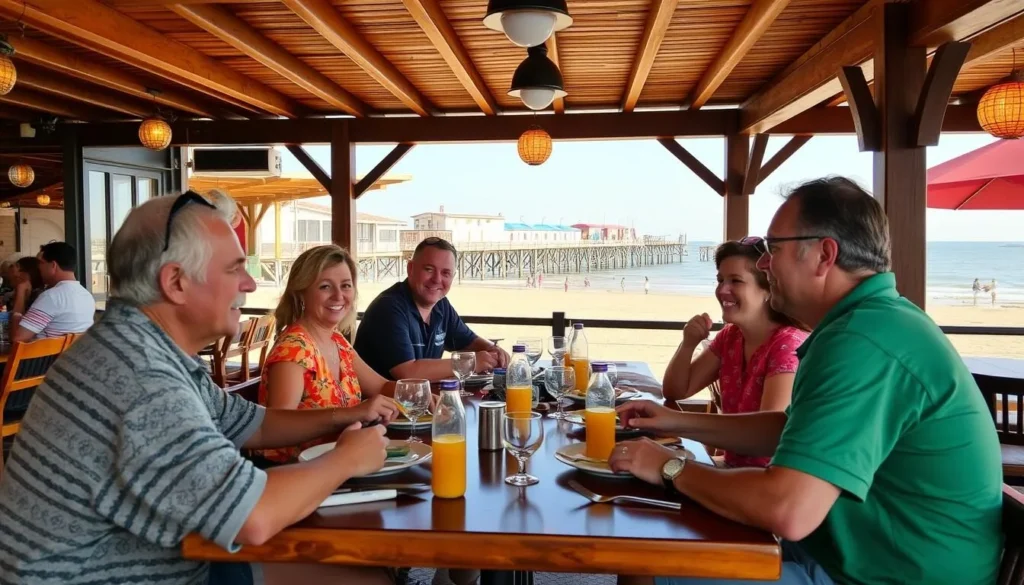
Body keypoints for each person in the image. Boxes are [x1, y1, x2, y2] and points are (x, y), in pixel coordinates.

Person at [612, 177, 1001, 585]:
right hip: (850, 554)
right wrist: (673, 420)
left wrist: (671, 466)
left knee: (645, 563)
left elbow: (788, 510)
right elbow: (789, 429)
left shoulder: (864, 340)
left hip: (882, 575)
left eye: (774, 248)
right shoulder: (871, 324)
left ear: (824, 255)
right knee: (657, 536)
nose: (765, 264)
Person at [0, 191, 397, 585]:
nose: (250, 283)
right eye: (234, 269)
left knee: (365, 570)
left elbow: (255, 424)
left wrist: (350, 415)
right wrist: (346, 459)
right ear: (176, 282)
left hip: (165, 560)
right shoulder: (141, 376)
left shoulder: (142, 346)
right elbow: (252, 517)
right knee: (368, 579)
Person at [662, 241, 807, 468]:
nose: (722, 290)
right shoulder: (731, 336)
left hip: (765, 477)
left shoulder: (787, 345)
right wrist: (688, 343)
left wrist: (674, 422)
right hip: (733, 468)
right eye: (720, 280)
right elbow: (676, 390)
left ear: (768, 288)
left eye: (736, 281)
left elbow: (764, 440)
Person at [258, 244, 401, 463]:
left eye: (346, 286)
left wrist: (419, 393)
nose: (338, 296)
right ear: (301, 293)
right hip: (300, 470)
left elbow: (380, 387)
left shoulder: (337, 340)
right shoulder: (293, 349)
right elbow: (277, 429)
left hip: (342, 460)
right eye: (325, 287)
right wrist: (354, 413)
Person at [355, 237, 509, 381]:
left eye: (446, 273)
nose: (437, 279)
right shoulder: (389, 308)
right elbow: (407, 373)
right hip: (377, 400)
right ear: (410, 268)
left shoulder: (441, 305)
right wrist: (470, 363)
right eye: (429, 269)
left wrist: (493, 349)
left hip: (419, 398)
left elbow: (469, 342)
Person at [11, 242, 95, 342]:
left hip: (45, 352)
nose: (38, 268)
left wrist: (18, 304)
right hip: (73, 351)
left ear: (53, 265)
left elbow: (18, 339)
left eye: (41, 263)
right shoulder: (87, 296)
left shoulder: (51, 297)